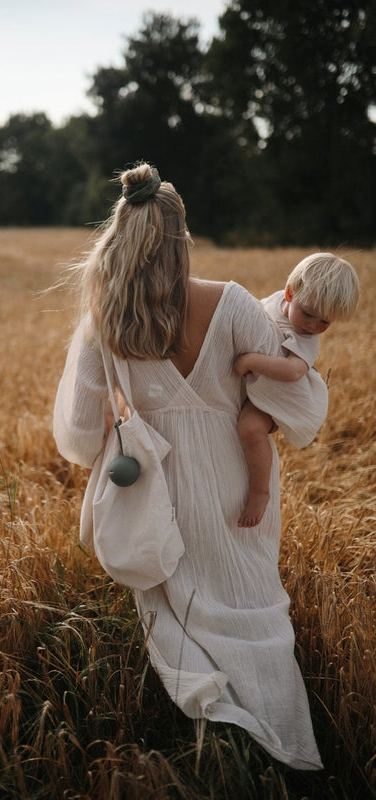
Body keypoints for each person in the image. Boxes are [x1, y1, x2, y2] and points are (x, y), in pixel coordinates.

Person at [53, 162, 325, 769]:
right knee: (252, 600)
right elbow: (297, 406)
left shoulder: (105, 320)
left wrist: (122, 423)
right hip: (238, 481)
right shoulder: (232, 304)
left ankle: (215, 725)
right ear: (181, 238)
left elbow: (76, 428)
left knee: (176, 599)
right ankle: (285, 742)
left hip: (157, 483)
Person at [235, 253, 360, 528]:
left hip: (280, 395)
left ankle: (260, 492)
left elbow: (292, 372)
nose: (314, 325)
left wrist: (250, 360)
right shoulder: (273, 301)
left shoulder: (307, 339)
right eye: (308, 313)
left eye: (325, 322)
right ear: (290, 293)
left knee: (250, 428)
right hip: (260, 383)